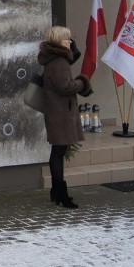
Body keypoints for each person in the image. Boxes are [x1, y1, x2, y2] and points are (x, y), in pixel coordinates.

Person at [37, 26, 92, 209]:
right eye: (67, 39)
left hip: (56, 111)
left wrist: (73, 51)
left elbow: (66, 68)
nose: (70, 41)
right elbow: (65, 87)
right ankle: (62, 194)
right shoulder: (59, 62)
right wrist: (82, 82)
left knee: (58, 151)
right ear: (59, 41)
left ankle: (56, 191)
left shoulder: (53, 59)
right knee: (59, 152)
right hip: (61, 113)